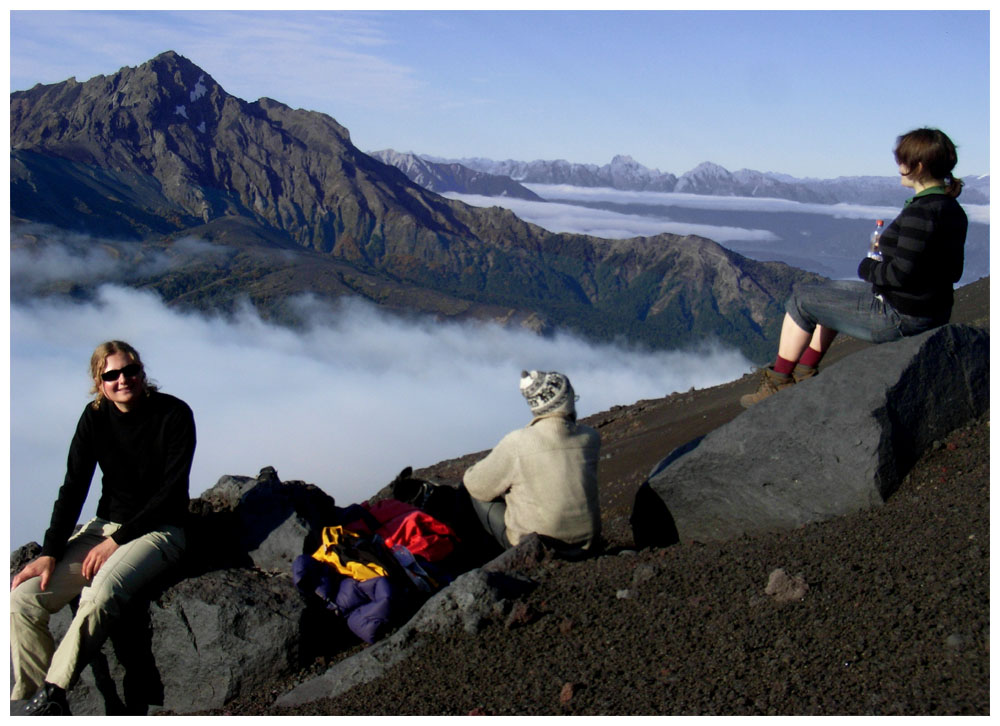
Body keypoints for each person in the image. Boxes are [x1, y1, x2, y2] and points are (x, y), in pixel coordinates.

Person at [10, 341, 196, 715]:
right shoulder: (94, 417)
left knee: (100, 593)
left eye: (130, 371)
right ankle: (25, 703)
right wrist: (49, 552)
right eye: (111, 375)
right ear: (99, 382)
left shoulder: (173, 413)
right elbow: (74, 485)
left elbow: (170, 492)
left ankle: (54, 694)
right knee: (22, 601)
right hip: (104, 527)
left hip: (161, 529)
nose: (122, 379)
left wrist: (116, 542)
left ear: (142, 373)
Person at [741, 128, 968, 408]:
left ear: (918, 167)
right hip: (931, 312)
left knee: (801, 300)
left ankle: (778, 382)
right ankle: (804, 373)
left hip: (901, 317)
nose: (899, 167)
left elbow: (900, 274)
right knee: (828, 293)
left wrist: (869, 268)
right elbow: (953, 271)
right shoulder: (952, 209)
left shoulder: (921, 212)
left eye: (903, 160)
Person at [463, 370, 601, 555]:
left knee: (475, 493)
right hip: (588, 542)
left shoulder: (517, 443)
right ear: (566, 400)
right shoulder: (591, 438)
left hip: (538, 547)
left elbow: (477, 486)